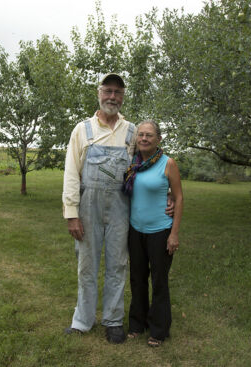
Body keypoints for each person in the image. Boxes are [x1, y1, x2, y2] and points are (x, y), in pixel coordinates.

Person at [62, 73, 134, 344]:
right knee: (86, 265)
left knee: (117, 265)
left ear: (123, 96)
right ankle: (83, 320)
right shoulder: (82, 130)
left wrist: (168, 195)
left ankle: (113, 320)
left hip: (120, 208)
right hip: (88, 208)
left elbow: (144, 168)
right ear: (99, 93)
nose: (112, 96)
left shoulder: (132, 131)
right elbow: (71, 173)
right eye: (108, 91)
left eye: (117, 92)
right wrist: (71, 214)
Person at [122, 120, 183, 347]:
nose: (144, 138)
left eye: (149, 135)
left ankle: (158, 329)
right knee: (137, 279)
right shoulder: (133, 164)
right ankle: (137, 324)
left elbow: (178, 198)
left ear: (158, 139)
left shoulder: (168, 163)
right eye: (140, 135)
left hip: (160, 231)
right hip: (135, 231)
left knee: (159, 281)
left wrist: (174, 234)